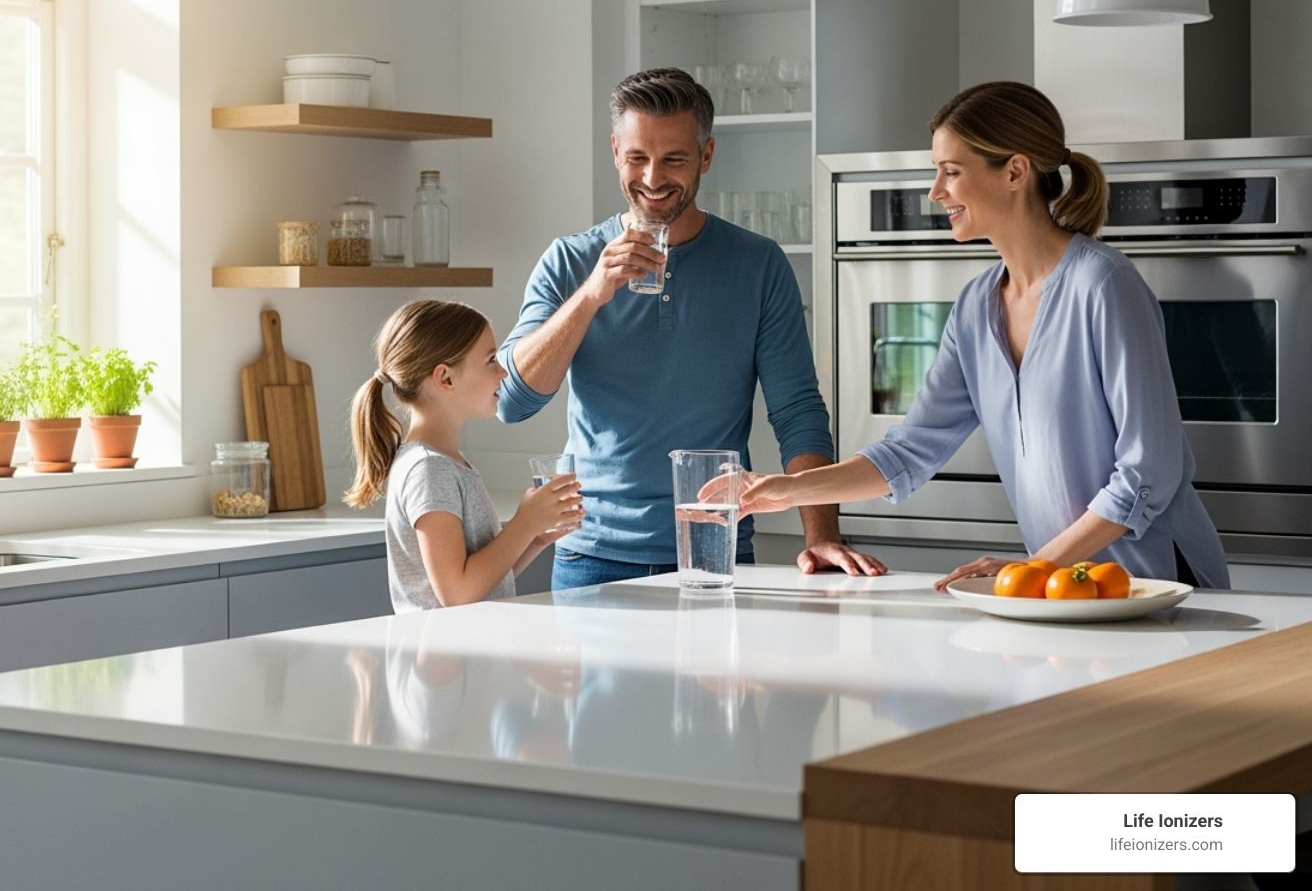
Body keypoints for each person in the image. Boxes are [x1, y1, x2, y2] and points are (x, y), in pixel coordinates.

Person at [731, 81, 1231, 591]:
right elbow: (909, 451)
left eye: (951, 172)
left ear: (1015, 171)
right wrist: (789, 489)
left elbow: (1149, 473)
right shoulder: (976, 307)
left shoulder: (1103, 285)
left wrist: (1033, 567)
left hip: (1158, 585)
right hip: (1061, 589)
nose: (935, 191)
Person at [497, 67, 884, 590]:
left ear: (705, 156)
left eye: (674, 159)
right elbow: (512, 402)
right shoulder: (570, 261)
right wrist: (592, 294)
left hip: (715, 549)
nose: (653, 178)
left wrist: (819, 535)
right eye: (637, 157)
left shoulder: (759, 264)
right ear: (615, 151)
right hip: (592, 556)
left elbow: (797, 411)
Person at [346, 299, 584, 612]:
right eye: (490, 361)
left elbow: (484, 581)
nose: (503, 372)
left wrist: (535, 536)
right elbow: (457, 593)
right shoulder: (429, 470)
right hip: (444, 657)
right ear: (445, 379)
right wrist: (523, 525)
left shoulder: (446, 462)